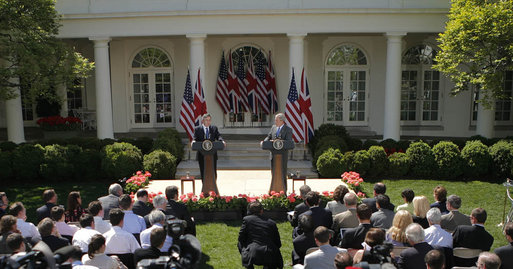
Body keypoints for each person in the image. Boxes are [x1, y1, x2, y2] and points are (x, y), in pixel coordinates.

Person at [238, 201, 283, 269]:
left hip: (253, 252)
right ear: (261, 211)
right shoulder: (271, 223)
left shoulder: (247, 220)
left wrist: (248, 245)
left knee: (239, 243)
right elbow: (278, 243)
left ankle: (248, 264)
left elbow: (241, 238)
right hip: (270, 252)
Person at [262, 113, 293, 193]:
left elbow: (289, 142)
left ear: (282, 121)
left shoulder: (288, 130)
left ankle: (283, 190)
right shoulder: (273, 128)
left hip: (282, 156)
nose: (275, 122)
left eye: (276, 120)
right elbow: (268, 136)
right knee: (274, 173)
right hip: (273, 155)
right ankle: (273, 190)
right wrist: (264, 142)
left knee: (282, 174)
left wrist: (279, 141)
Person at [192, 113, 225, 180]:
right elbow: (195, 138)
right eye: (206, 120)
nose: (208, 121)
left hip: (212, 154)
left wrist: (222, 141)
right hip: (202, 154)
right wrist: (193, 142)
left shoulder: (214, 128)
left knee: (213, 171)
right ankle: (204, 187)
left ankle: (213, 187)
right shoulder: (198, 129)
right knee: (203, 171)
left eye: (209, 120)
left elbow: (218, 136)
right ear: (203, 121)